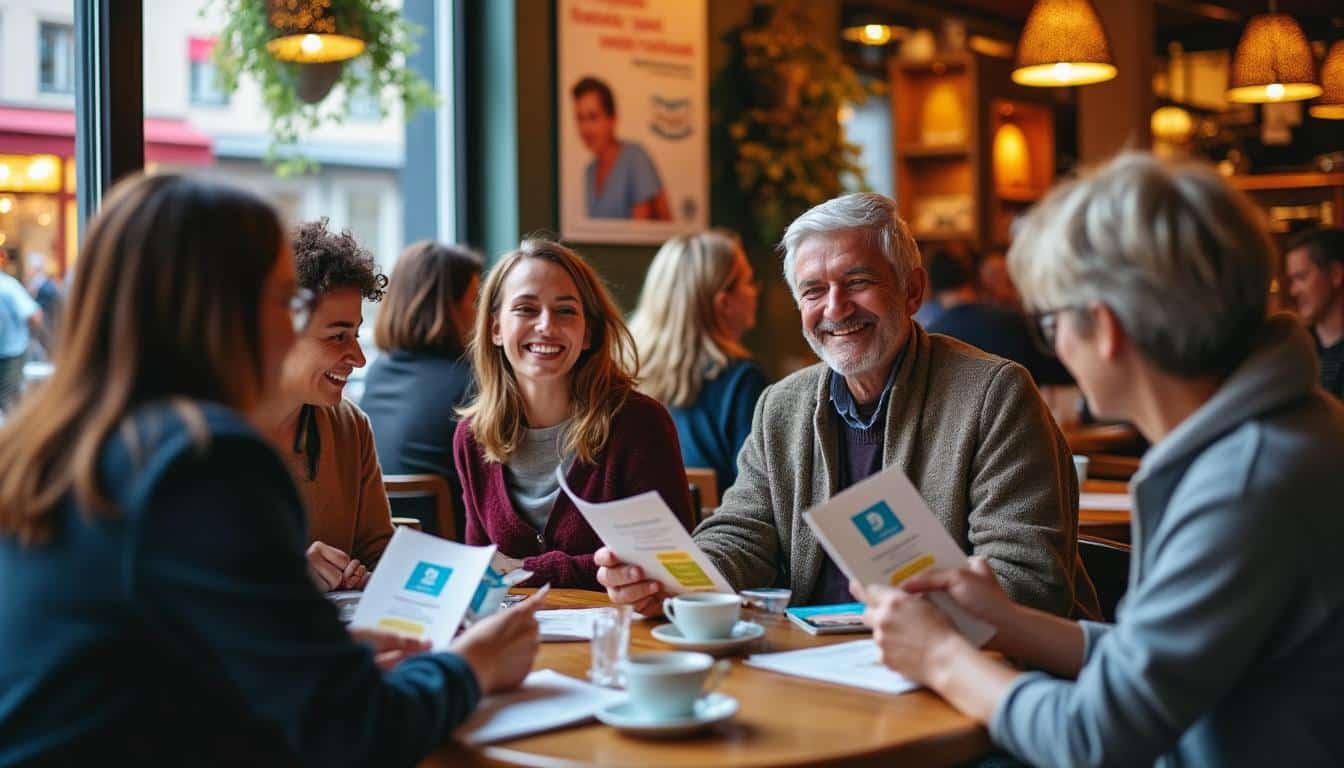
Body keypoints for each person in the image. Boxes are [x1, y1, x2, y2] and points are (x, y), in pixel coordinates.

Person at [0, 173, 542, 765]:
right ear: (219, 310)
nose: (292, 327)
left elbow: (133, 672)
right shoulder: (203, 458)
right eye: (287, 301)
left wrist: (309, 654)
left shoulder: (56, 444)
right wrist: (474, 665)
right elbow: (355, 733)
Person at [857, 154, 1344, 766]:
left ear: (1106, 328)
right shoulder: (1282, 431)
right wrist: (1007, 622)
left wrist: (940, 658)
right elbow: (1150, 663)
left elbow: (1095, 738)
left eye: (1051, 321)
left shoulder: (1249, 479)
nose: (1055, 344)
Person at [597, 193, 1098, 618]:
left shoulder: (994, 395)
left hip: (959, 676)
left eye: (857, 282)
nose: (834, 309)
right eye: (814, 291)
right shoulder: (781, 405)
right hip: (814, 669)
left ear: (912, 290)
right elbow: (743, 533)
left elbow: (1027, 581)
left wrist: (915, 618)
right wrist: (673, 580)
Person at [454, 238, 693, 589]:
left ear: (588, 334)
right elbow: (482, 571)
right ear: (495, 329)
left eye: (565, 311)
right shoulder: (472, 437)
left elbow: (669, 564)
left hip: (620, 636)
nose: (546, 326)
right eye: (526, 309)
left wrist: (526, 569)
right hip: (516, 637)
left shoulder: (639, 425)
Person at [254, 219, 394, 592]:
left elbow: (379, 552)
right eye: (338, 337)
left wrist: (363, 573)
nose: (359, 358)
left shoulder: (350, 427)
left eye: (356, 334)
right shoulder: (200, 433)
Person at [628, 230, 766, 492]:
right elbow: (757, 492)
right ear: (724, 303)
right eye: (749, 281)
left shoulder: (621, 370)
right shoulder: (741, 381)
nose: (755, 291)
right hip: (714, 531)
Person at [361, 241, 483, 531]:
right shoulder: (471, 382)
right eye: (475, 300)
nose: (484, 314)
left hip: (383, 548)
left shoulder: (378, 373)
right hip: (455, 551)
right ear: (448, 307)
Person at [926, 249, 1071, 386]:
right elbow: (1059, 376)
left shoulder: (930, 339)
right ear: (976, 277)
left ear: (930, 286)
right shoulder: (1015, 322)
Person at [572, 76, 671, 221]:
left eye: (593, 117)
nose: (585, 129)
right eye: (580, 118)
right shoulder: (590, 172)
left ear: (612, 119)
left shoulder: (636, 158)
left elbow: (640, 231)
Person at [1284, 227, 1344, 399]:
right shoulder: (1294, 353)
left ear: (1335, 274)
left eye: (1301, 277)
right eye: (1291, 280)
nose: (1293, 291)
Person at [0, 249, 41, 412]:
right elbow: (36, 316)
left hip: (11, 354)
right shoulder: (7, 285)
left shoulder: (7, 286)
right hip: (12, 351)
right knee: (9, 404)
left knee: (9, 403)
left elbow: (34, 315)